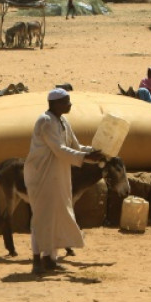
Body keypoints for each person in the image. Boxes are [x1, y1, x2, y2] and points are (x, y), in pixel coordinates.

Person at [24, 89, 104, 275]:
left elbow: (74, 146)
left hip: (58, 174)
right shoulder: (45, 121)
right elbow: (59, 150)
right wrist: (86, 157)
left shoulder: (63, 121)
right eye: (66, 101)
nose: (70, 105)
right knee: (42, 217)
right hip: (42, 175)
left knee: (58, 214)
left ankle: (50, 260)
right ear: (55, 103)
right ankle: (37, 260)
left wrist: (94, 151)